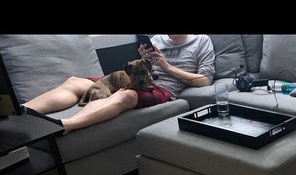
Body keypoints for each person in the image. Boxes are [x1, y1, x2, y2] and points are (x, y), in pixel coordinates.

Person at [21, 34, 215, 134]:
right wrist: (143, 58)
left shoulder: (201, 40)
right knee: (75, 82)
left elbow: (204, 80)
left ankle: (65, 125)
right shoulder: (157, 39)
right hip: (133, 78)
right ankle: (21, 112)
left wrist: (166, 65)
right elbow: (140, 68)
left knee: (125, 95)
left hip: (161, 88)